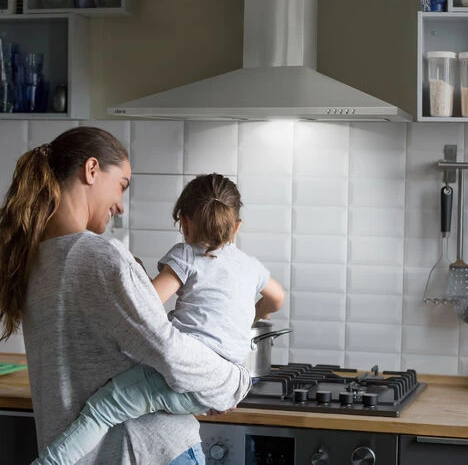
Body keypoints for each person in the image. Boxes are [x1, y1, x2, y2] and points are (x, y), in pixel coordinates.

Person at [0, 127, 252, 465]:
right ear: (91, 170)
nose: (120, 206)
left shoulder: (34, 260)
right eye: (121, 185)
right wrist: (233, 382)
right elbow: (169, 352)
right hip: (149, 452)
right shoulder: (99, 257)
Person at [32, 173, 286, 465]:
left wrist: (135, 273)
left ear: (184, 223)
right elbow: (277, 298)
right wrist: (254, 314)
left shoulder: (186, 255)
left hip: (185, 374)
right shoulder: (251, 265)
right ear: (236, 226)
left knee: (103, 410)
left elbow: (146, 306)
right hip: (216, 388)